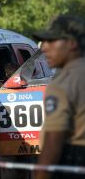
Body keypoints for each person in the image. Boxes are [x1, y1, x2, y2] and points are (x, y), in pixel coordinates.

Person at [33, 15, 85, 179]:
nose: (44, 48)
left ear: (72, 43)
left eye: (52, 41)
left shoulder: (62, 84)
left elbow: (52, 146)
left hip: (72, 163)